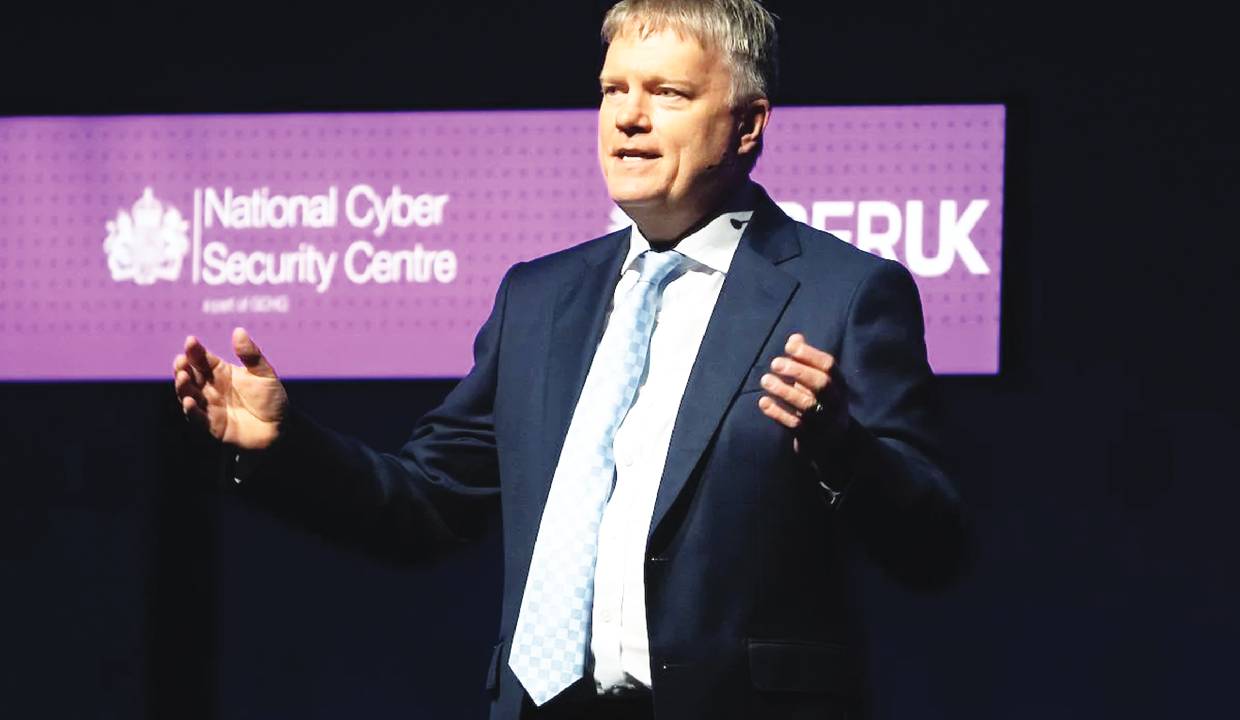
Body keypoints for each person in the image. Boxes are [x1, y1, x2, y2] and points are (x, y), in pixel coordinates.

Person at [173, 1, 964, 718]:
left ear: (748, 125)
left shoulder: (843, 294)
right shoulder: (538, 298)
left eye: (668, 93)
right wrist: (286, 447)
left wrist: (842, 452)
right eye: (613, 89)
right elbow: (429, 503)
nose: (629, 117)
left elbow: (934, 547)